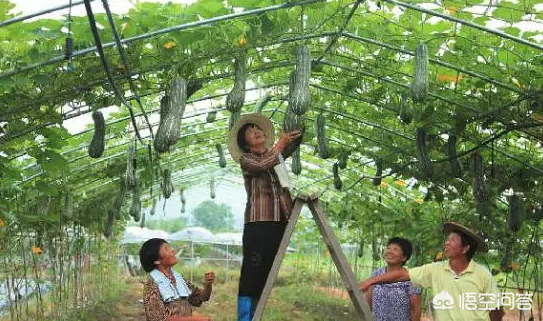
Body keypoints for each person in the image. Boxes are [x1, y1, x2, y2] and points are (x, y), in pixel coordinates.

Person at [227, 113, 302, 321]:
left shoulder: (275, 156)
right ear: (246, 144)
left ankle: (256, 315)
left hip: (280, 220)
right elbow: (262, 165)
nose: (257, 132)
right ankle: (244, 318)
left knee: (266, 272)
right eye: (251, 132)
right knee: (252, 270)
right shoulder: (247, 159)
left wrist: (297, 126)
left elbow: (281, 165)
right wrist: (280, 143)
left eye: (257, 129)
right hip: (258, 223)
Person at [359, 222, 504, 321]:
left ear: (465, 248)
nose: (446, 243)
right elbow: (403, 274)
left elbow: (497, 310)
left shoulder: (482, 274)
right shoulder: (435, 269)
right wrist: (370, 281)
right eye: (447, 239)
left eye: (452, 240)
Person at [139, 238, 215, 321]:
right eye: (166, 249)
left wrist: (208, 285)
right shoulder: (151, 284)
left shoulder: (178, 278)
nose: (173, 250)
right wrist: (195, 320)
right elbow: (157, 319)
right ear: (157, 260)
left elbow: (200, 298)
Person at [366, 237, 421, 321]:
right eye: (388, 248)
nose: (389, 251)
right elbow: (367, 304)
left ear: (404, 257)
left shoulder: (410, 278)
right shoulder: (376, 274)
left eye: (395, 249)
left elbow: (415, 310)